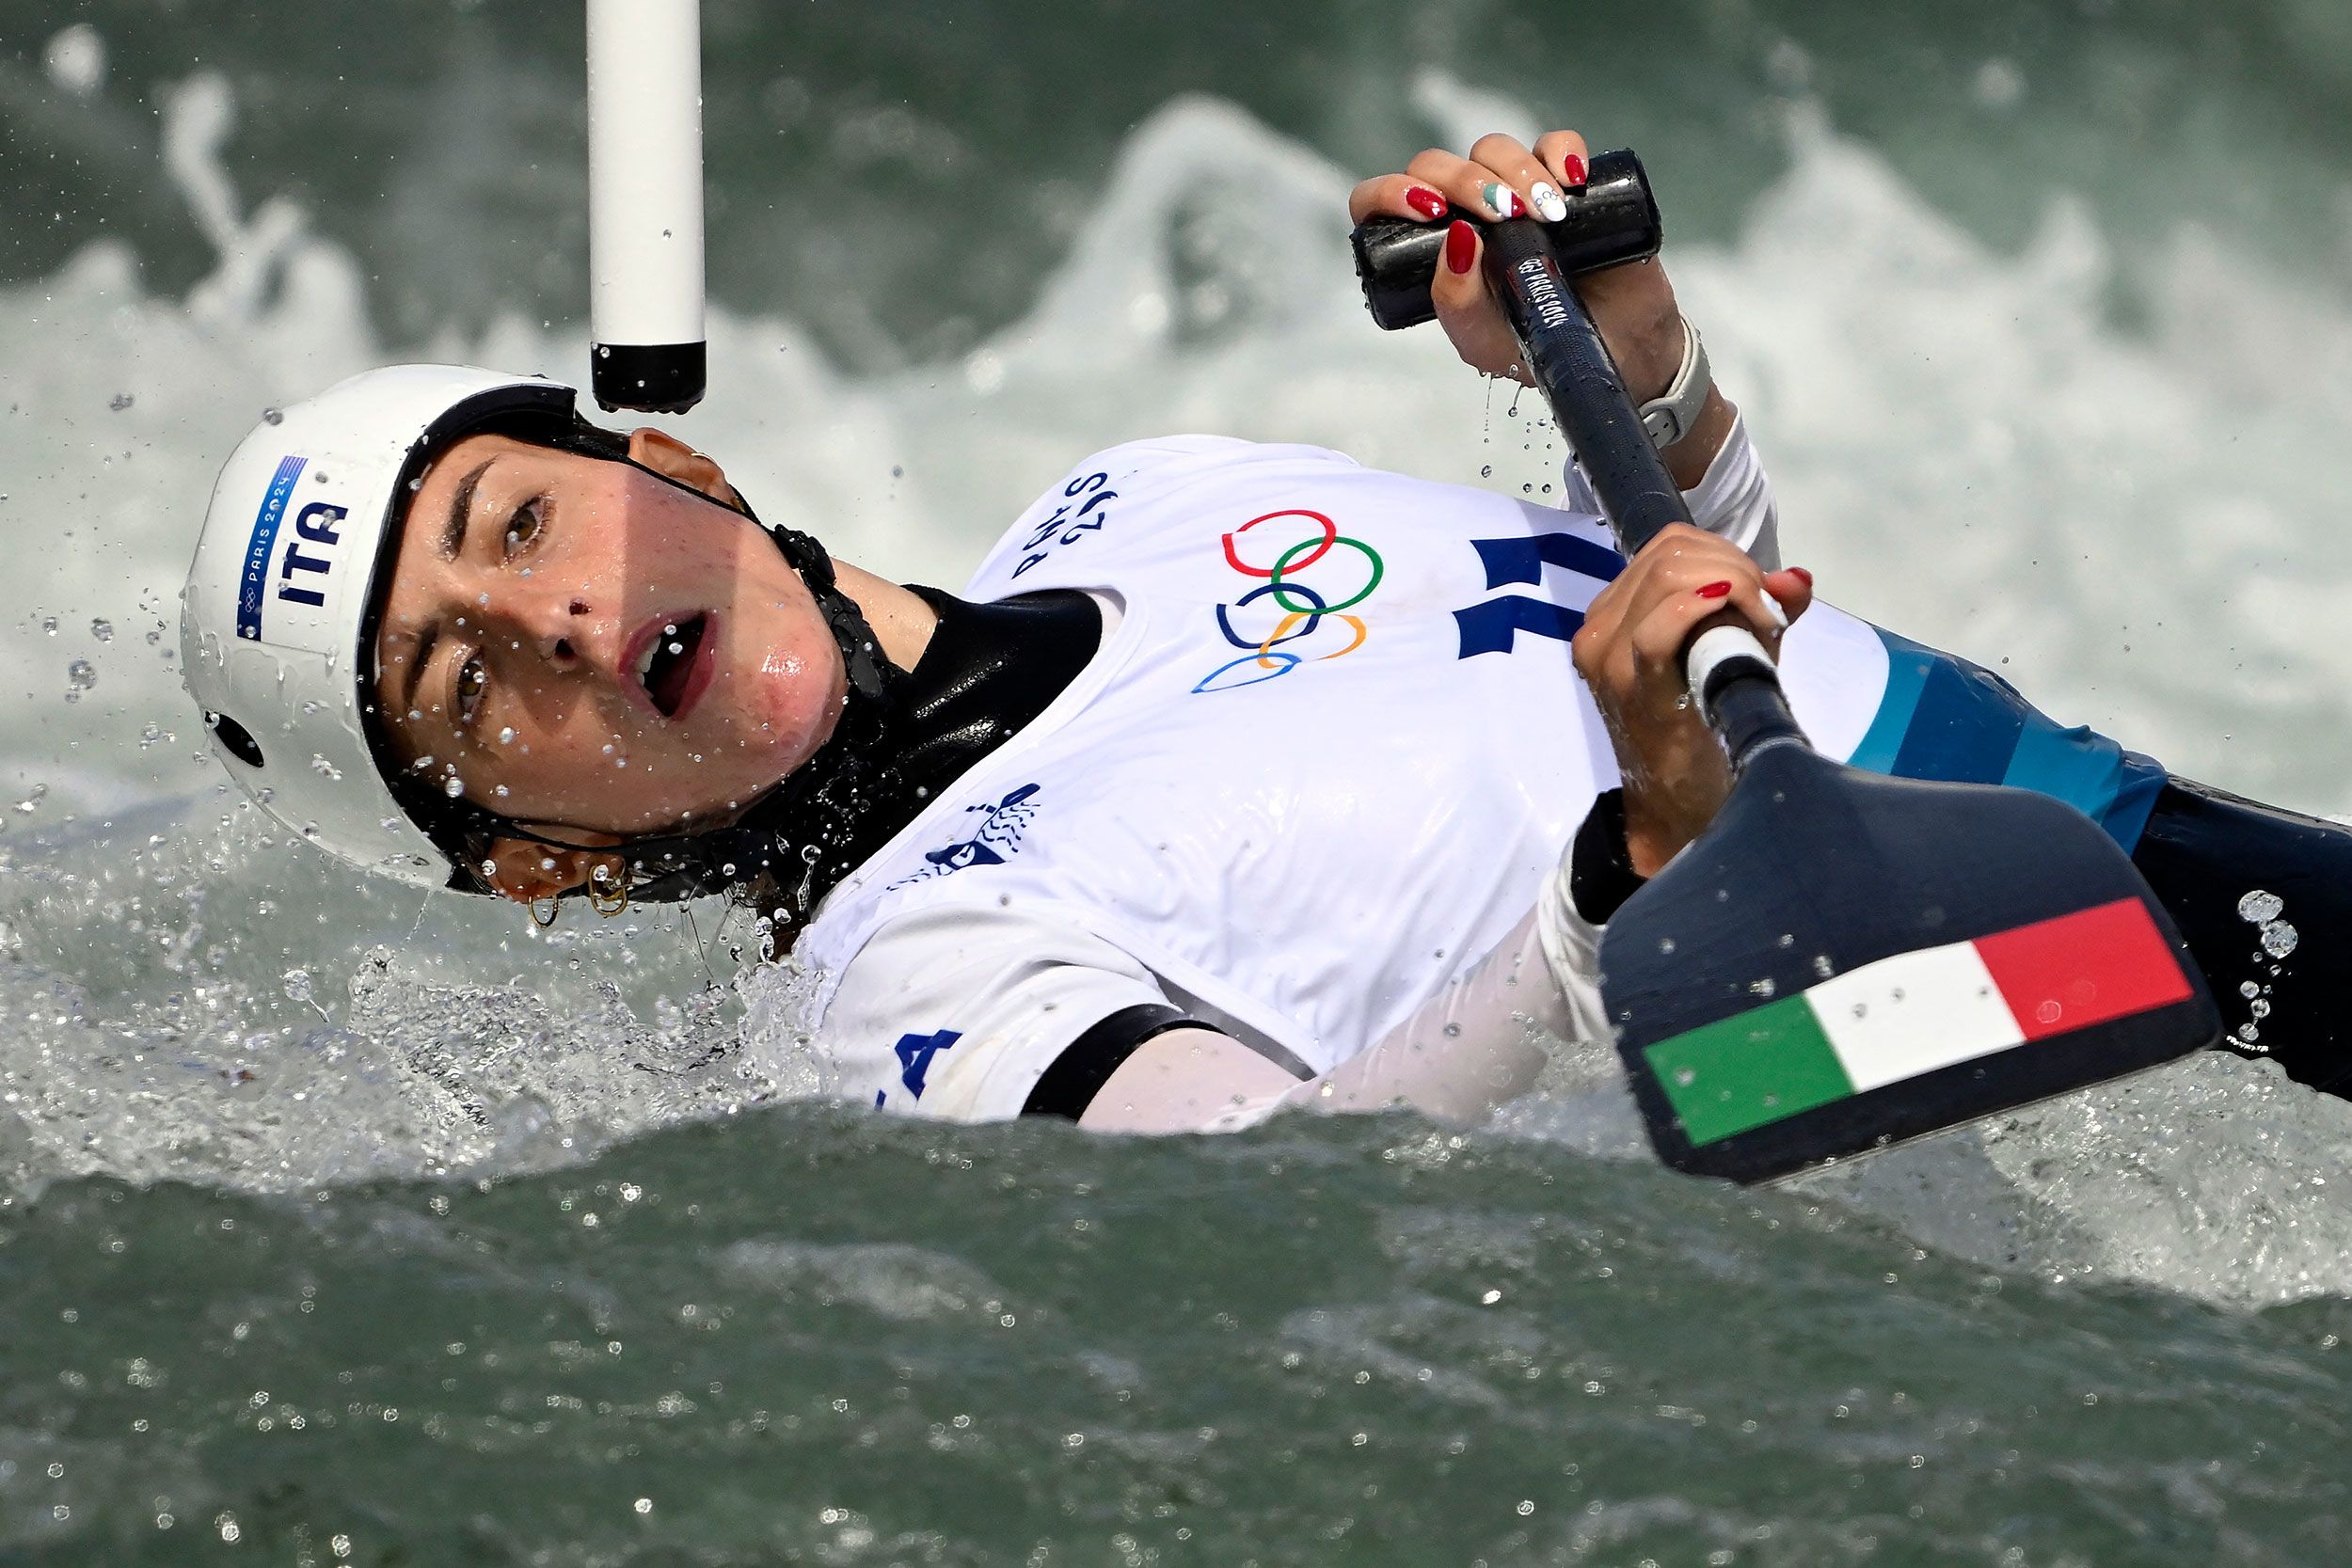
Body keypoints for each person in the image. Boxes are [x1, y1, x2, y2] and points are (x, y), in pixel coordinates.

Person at [181, 130, 2352, 1139]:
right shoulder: (898, 992)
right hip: (1895, 1052)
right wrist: (1627, 886)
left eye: (519, 520)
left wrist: (1627, 374)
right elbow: (1304, 1199)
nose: (556, 617)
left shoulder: (1150, 482)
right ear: (536, 863)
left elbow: (1700, 619)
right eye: (465, 682)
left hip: (2101, 836)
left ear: (681, 477)